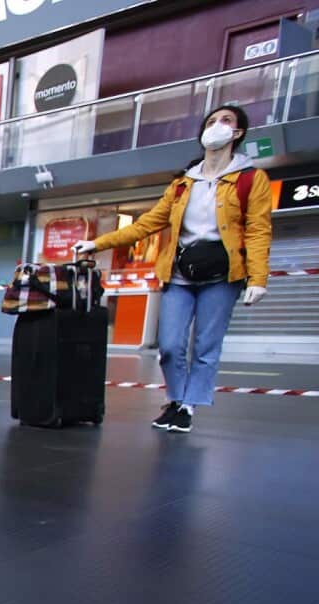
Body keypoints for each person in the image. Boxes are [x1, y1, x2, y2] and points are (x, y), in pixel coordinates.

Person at [74, 104, 271, 434]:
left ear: (237, 133)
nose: (217, 126)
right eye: (211, 121)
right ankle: (177, 399)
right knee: (169, 345)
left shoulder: (251, 179)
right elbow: (150, 222)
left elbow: (258, 229)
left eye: (225, 121)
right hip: (180, 275)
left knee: (206, 346)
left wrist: (258, 277)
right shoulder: (183, 183)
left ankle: (188, 407)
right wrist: (99, 243)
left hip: (222, 277)